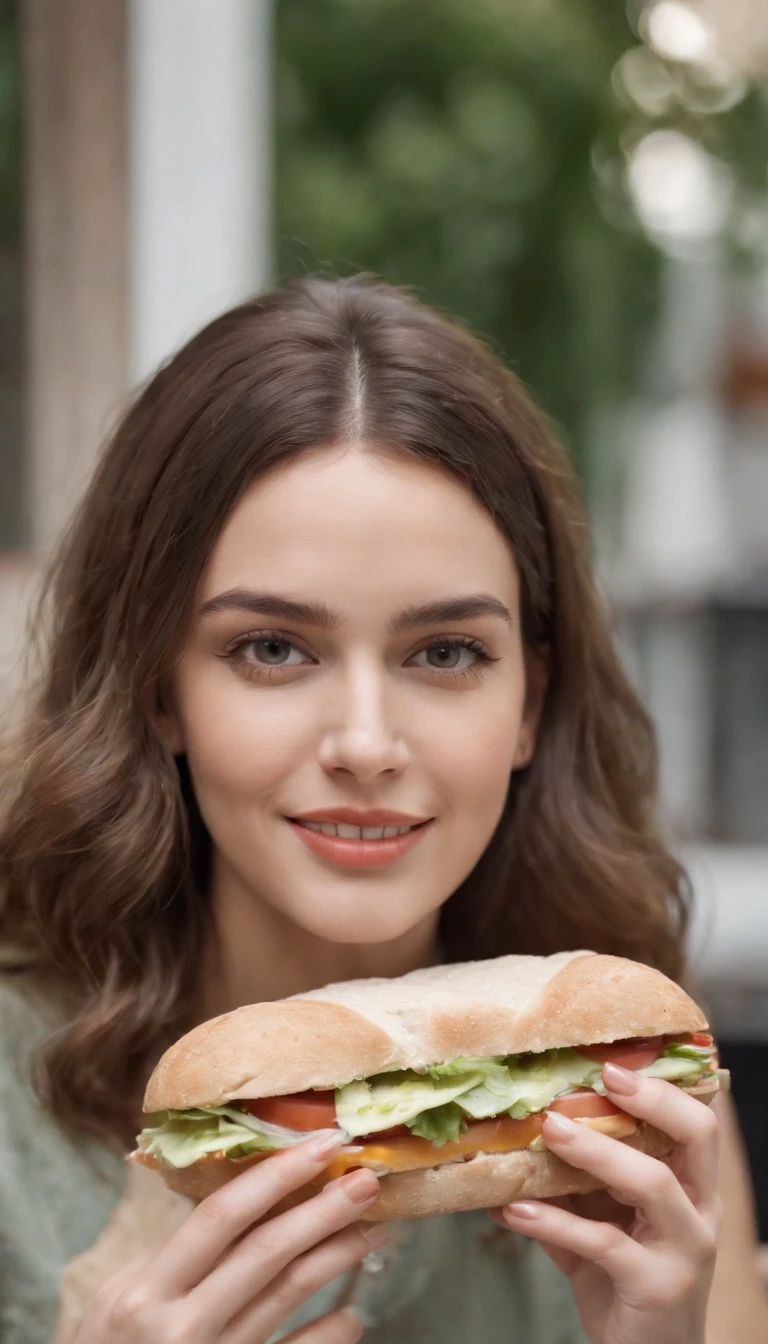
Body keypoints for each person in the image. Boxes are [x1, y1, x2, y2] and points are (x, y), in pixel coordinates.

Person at [0, 275, 766, 1344]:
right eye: (272, 649)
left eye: (445, 652)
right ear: (158, 689)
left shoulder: (633, 1079)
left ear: (529, 704)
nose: (365, 744)